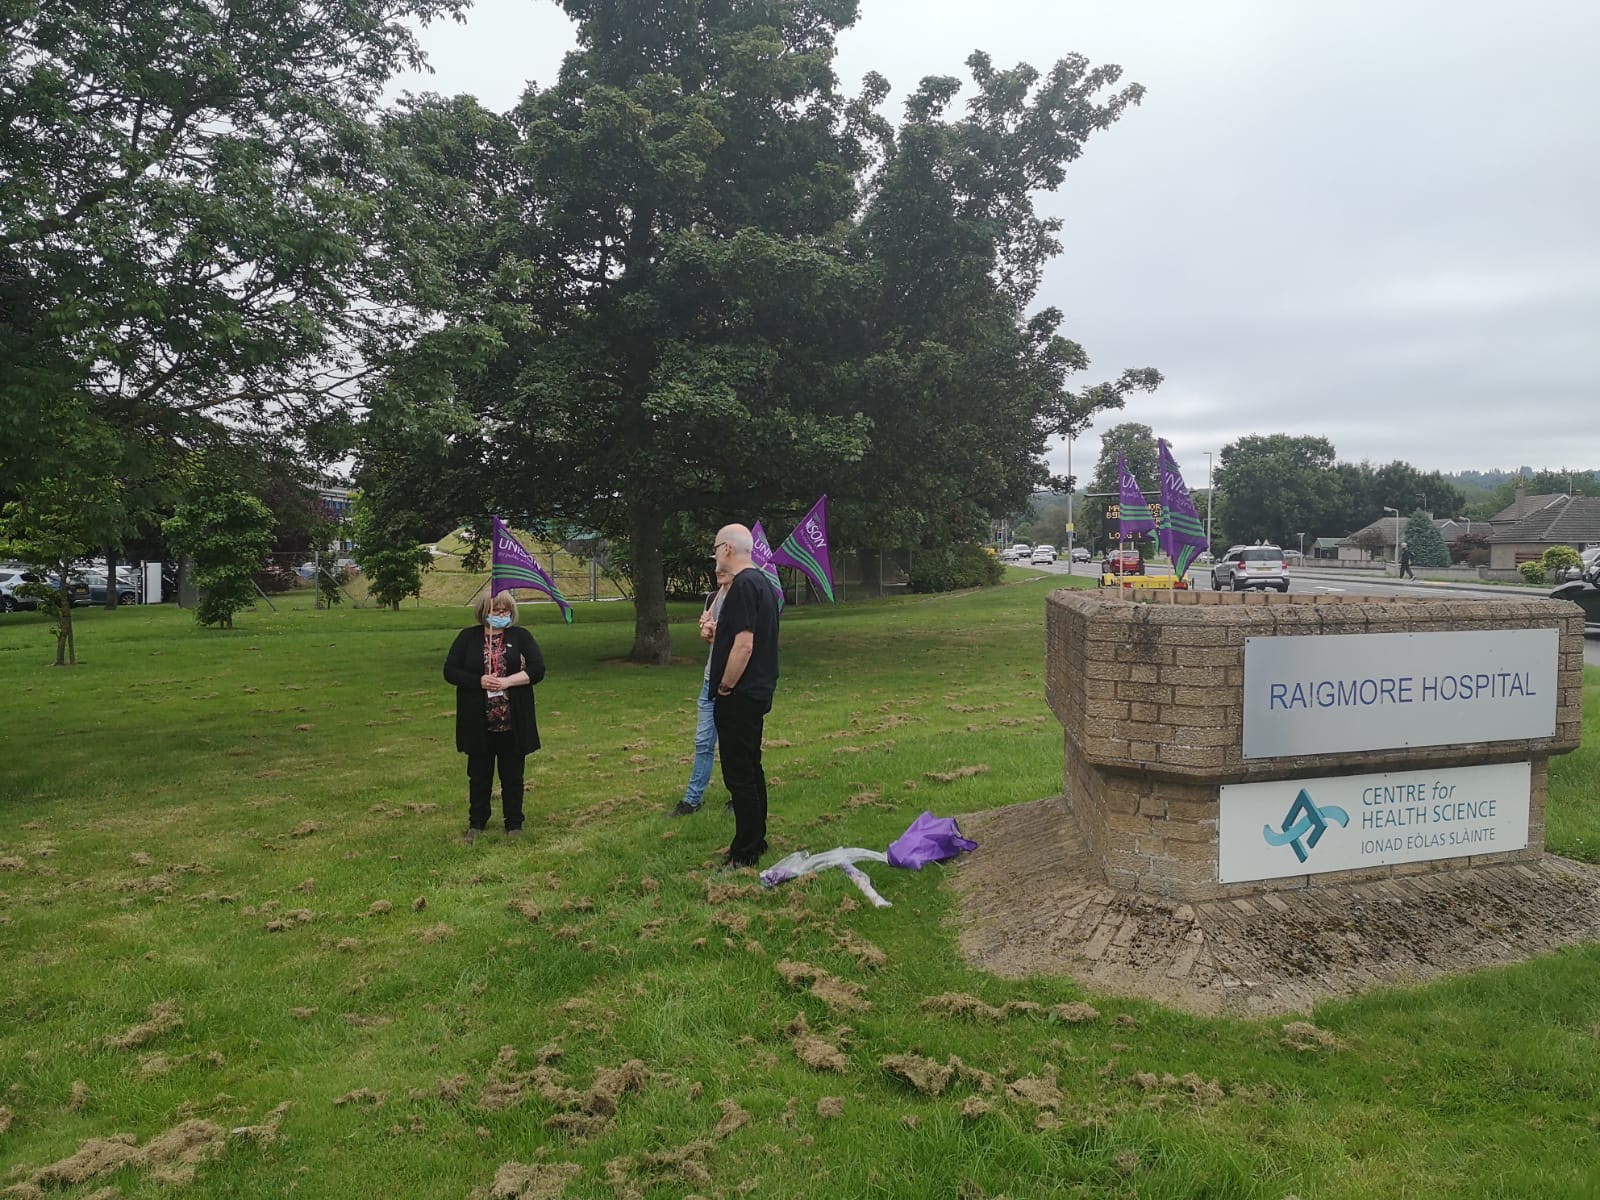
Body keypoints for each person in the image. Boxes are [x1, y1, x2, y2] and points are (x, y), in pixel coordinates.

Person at [443, 591, 545, 843]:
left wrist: (507, 681)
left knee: (513, 775)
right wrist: (478, 681)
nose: (501, 615)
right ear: (484, 612)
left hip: (513, 720)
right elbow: (450, 671)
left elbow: (537, 669)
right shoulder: (468, 638)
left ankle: (514, 824)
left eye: (505, 610)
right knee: (479, 775)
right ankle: (476, 823)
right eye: (495, 610)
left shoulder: (521, 637)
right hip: (478, 721)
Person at [707, 525, 780, 869]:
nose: (715, 554)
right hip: (758, 689)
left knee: (739, 774)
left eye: (716, 548)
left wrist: (725, 686)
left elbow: (745, 644)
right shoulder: (761, 584)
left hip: (740, 693)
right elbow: (737, 634)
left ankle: (745, 851)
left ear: (727, 549)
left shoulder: (743, 586)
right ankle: (758, 839)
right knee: (752, 766)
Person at [669, 565, 732, 817]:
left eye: (724, 568)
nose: (718, 570)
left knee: (733, 744)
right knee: (703, 741)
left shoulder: (742, 599)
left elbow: (745, 643)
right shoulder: (712, 597)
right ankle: (692, 800)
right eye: (716, 567)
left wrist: (718, 632)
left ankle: (739, 796)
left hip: (733, 681)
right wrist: (706, 632)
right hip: (710, 680)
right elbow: (710, 640)